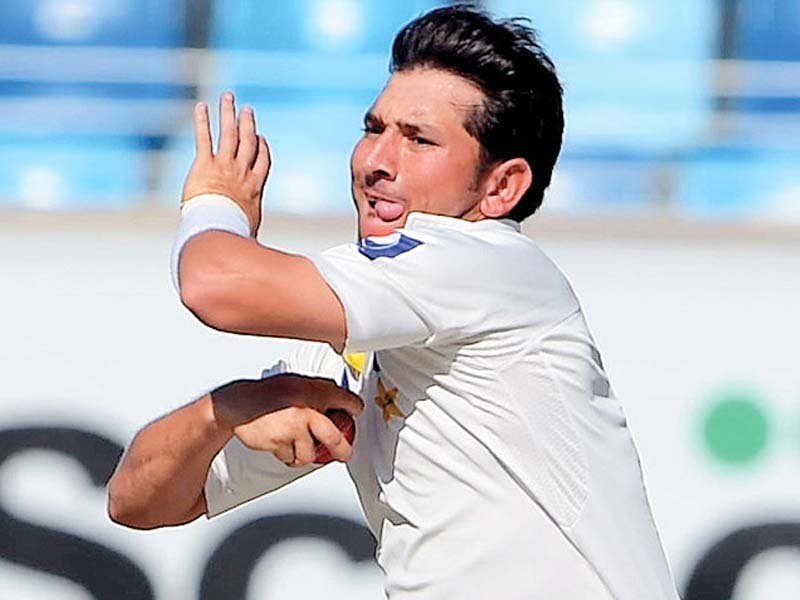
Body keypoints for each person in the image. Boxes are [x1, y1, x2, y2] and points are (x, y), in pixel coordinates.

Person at [108, 6, 680, 599]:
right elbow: (136, 502)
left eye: (419, 140)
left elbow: (214, 285)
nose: (375, 162)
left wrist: (213, 203)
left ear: (501, 187)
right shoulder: (360, 339)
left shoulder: (485, 262)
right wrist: (225, 411)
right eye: (374, 128)